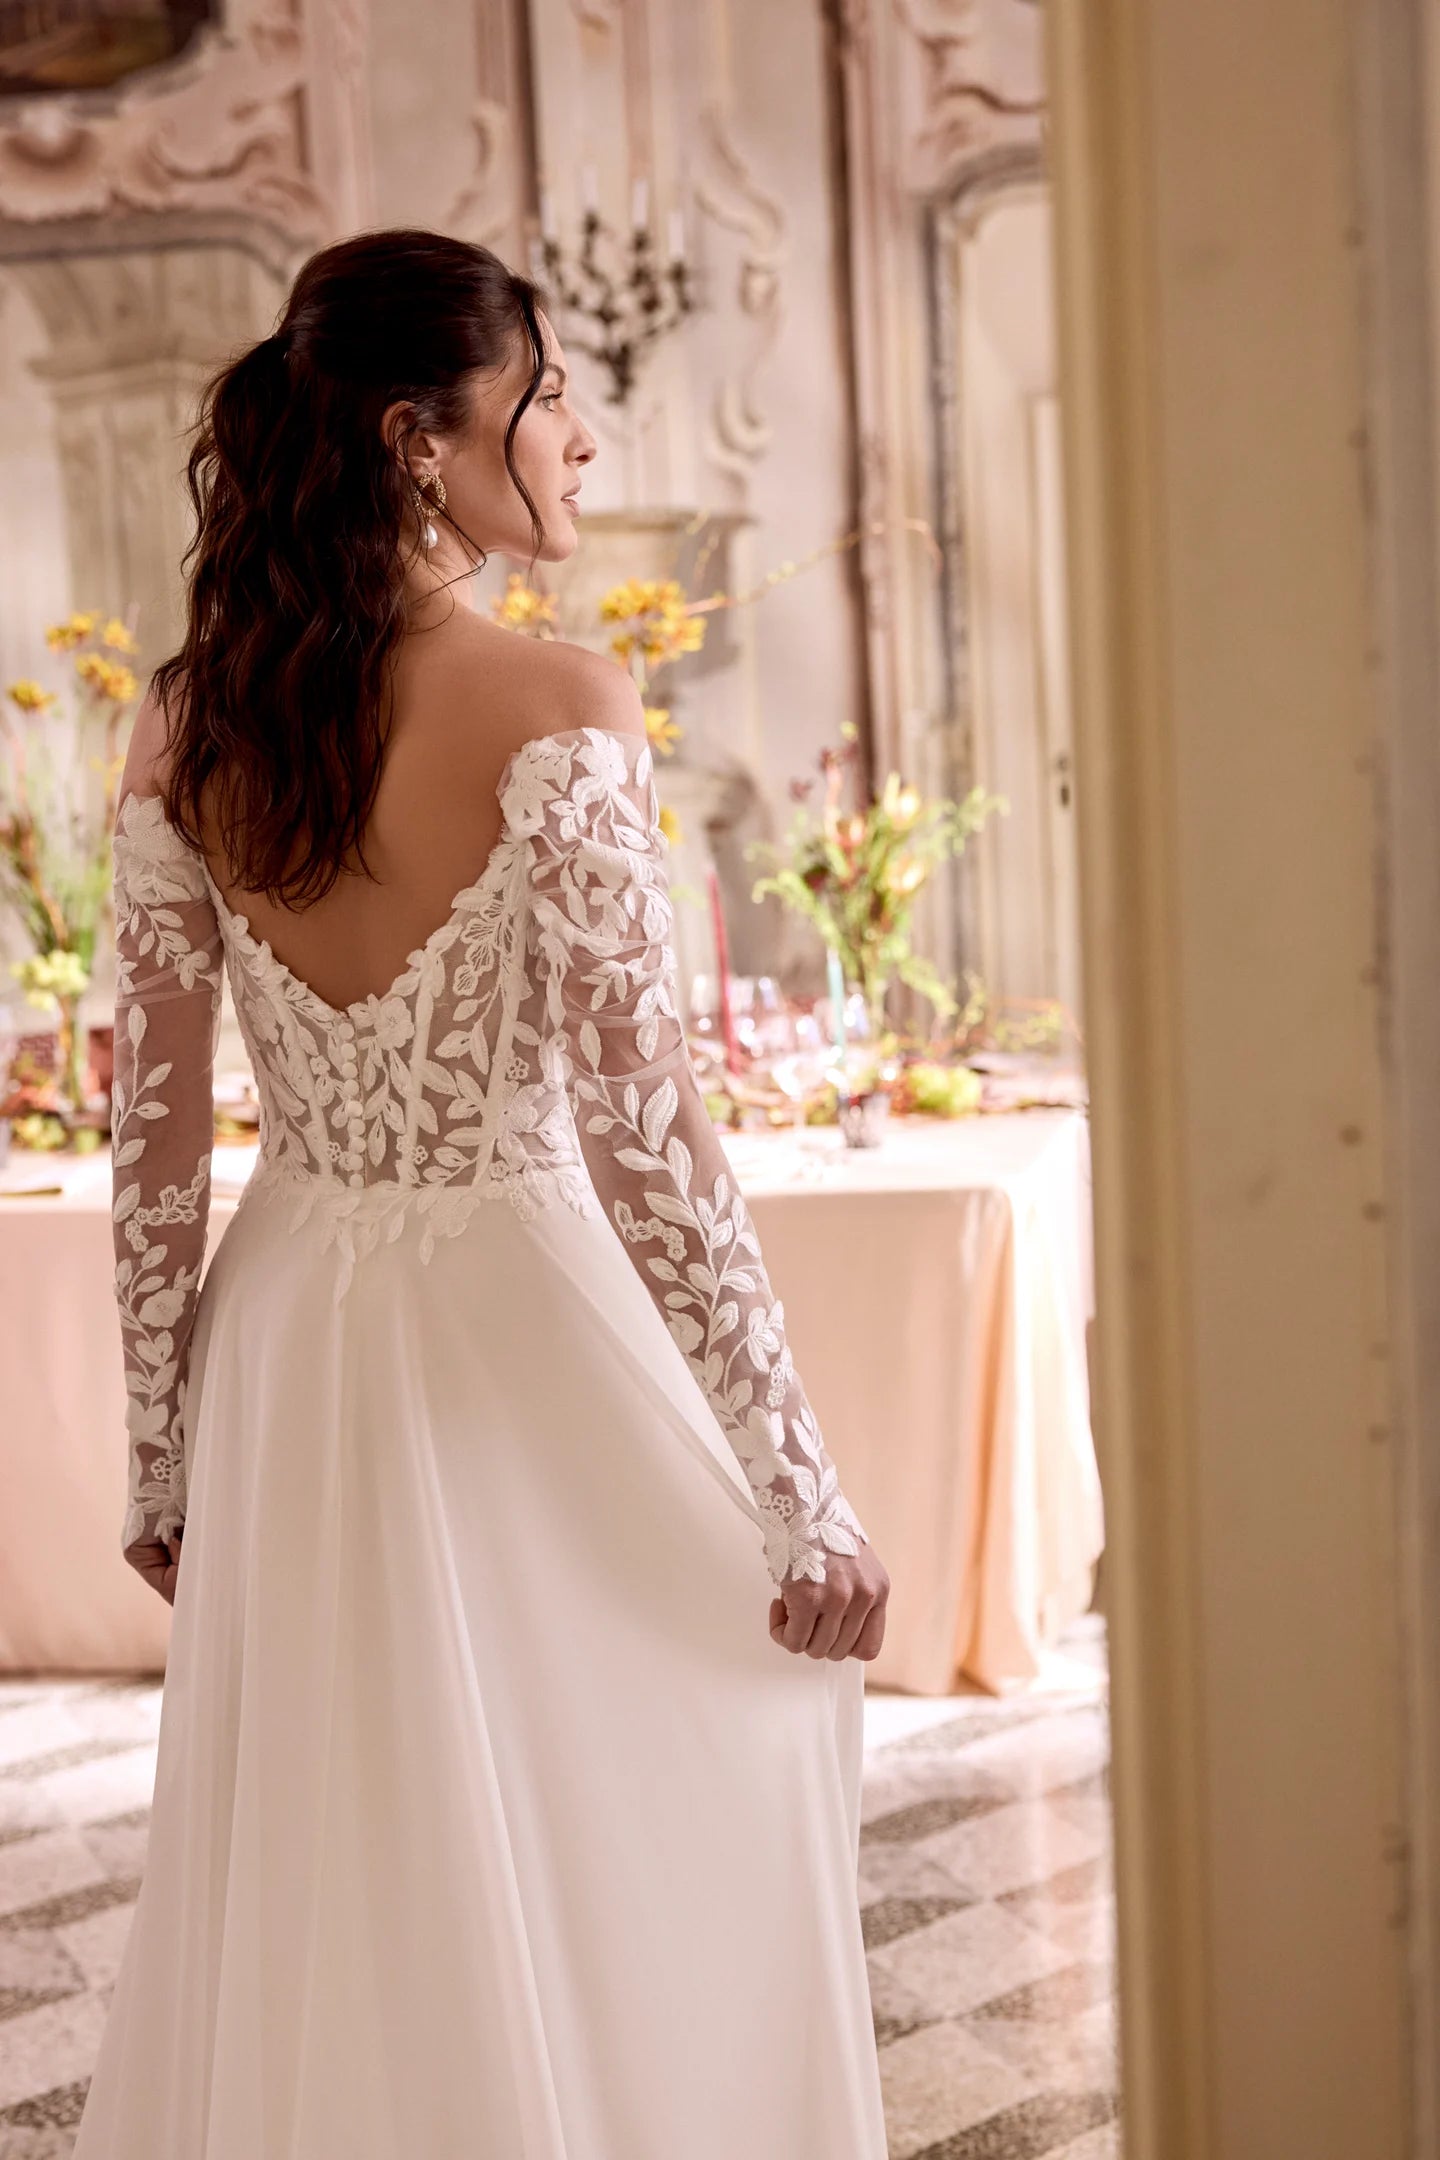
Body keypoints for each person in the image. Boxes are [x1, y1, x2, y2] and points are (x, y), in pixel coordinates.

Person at [76, 226, 891, 2158]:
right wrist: (800, 1485)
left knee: (348, 1837)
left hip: (289, 1344)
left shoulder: (186, 724)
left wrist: (163, 1453)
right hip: (517, 1310)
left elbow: (158, 1136)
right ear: (416, 443)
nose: (584, 443)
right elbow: (649, 1133)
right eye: (548, 401)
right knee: (622, 1788)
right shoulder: (559, 707)